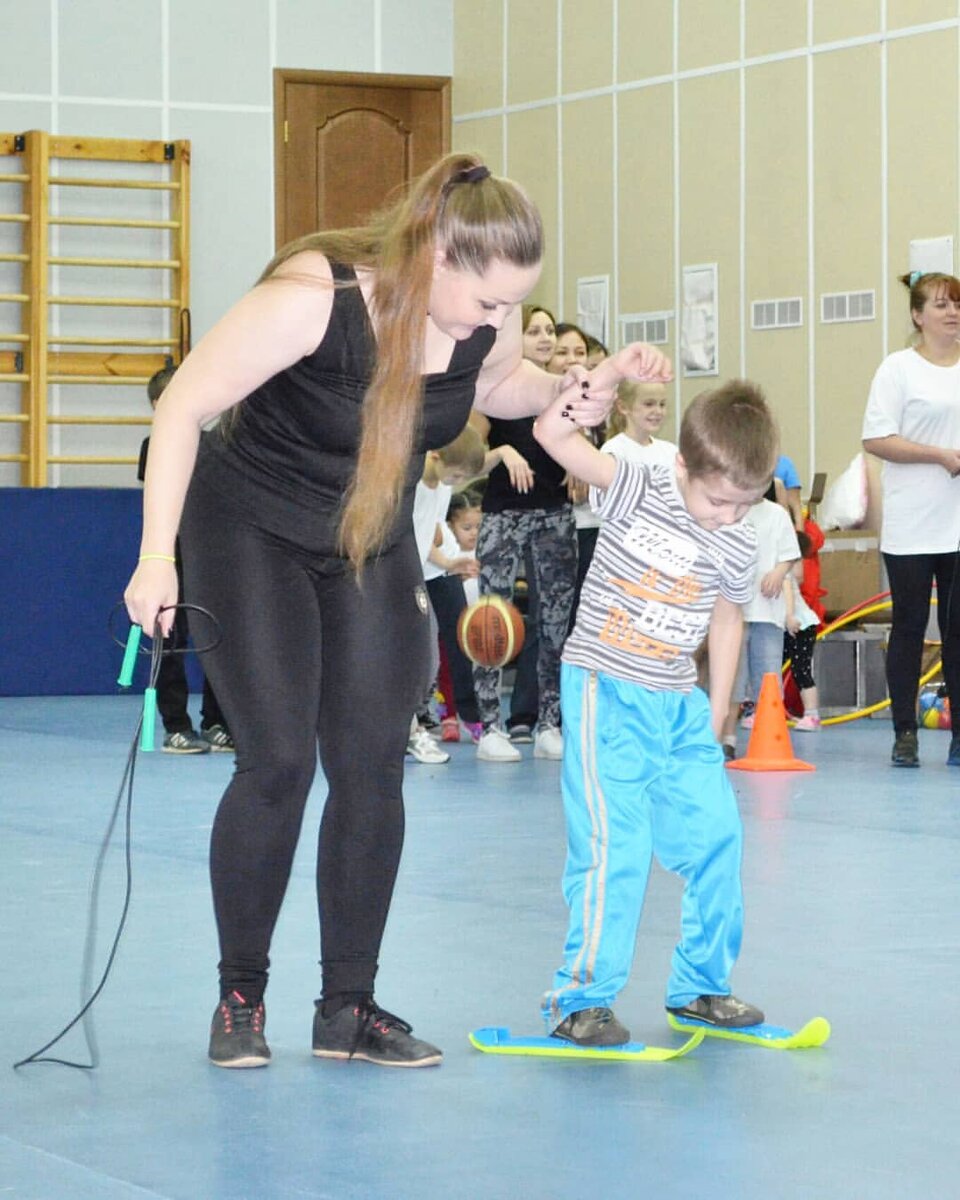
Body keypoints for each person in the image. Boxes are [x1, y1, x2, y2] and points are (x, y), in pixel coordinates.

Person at [124, 152, 646, 1070]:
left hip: (366, 535)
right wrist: (156, 556)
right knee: (280, 762)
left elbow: (496, 388)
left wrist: (574, 393)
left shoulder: (485, 322)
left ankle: (348, 1008)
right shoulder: (314, 296)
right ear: (437, 255)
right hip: (251, 530)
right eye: (488, 301)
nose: (502, 320)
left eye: (512, 305)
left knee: (372, 768)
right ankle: (240, 997)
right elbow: (183, 409)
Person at [534, 378, 778, 1047]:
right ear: (682, 466)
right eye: (718, 500)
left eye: (745, 504)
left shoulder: (736, 536)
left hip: (678, 704)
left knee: (716, 837)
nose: (729, 516)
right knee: (618, 846)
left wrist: (720, 705)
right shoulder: (639, 483)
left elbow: (729, 615)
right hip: (606, 688)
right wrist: (606, 374)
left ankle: (701, 985)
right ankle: (578, 999)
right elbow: (553, 437)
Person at [470, 306, 581, 762]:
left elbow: (578, 445)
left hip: (554, 515)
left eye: (548, 332)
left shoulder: (560, 393)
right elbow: (467, 458)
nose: (541, 337)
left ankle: (549, 722)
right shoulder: (494, 389)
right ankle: (491, 725)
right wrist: (502, 452)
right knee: (491, 619)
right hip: (503, 515)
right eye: (532, 330)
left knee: (555, 623)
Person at [862, 270, 960, 768]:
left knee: (958, 627)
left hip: (958, 526)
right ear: (918, 316)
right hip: (912, 526)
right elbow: (877, 439)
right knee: (909, 624)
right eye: (941, 305)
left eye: (957, 304)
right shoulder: (897, 369)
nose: (952, 313)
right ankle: (905, 732)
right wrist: (939, 455)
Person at [138, 366, 233, 755]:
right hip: (171, 556)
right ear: (158, 404)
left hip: (210, 555)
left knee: (215, 639)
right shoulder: (154, 446)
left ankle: (216, 721)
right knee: (171, 643)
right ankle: (176, 725)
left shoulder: (215, 446)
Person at [408, 425, 485, 763]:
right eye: (454, 475)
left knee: (428, 661)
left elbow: (426, 539)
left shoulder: (439, 487)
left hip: (420, 575)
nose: (455, 483)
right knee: (406, 659)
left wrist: (450, 563)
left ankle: (410, 728)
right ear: (435, 455)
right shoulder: (408, 484)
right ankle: (408, 732)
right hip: (395, 578)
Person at [719, 485, 800, 756]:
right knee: (732, 680)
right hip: (734, 613)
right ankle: (727, 739)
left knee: (768, 679)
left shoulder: (777, 514)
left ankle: (769, 741)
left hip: (768, 612)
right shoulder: (727, 510)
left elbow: (789, 554)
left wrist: (778, 572)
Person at [429, 489, 483, 742]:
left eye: (477, 527)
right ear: (450, 525)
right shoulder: (447, 553)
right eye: (466, 527)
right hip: (445, 619)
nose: (473, 533)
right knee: (444, 668)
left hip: (476, 628)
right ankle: (445, 716)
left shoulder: (486, 552)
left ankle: (473, 716)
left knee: (469, 668)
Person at [782, 532, 822, 732]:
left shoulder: (782, 571)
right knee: (775, 668)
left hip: (800, 625)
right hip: (789, 625)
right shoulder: (781, 568)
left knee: (801, 670)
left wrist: (790, 617)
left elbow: (789, 590)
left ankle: (812, 714)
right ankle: (764, 709)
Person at [601, 378, 678, 470]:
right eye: (649, 404)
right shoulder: (614, 452)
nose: (658, 411)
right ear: (623, 407)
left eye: (662, 404)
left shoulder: (671, 452)